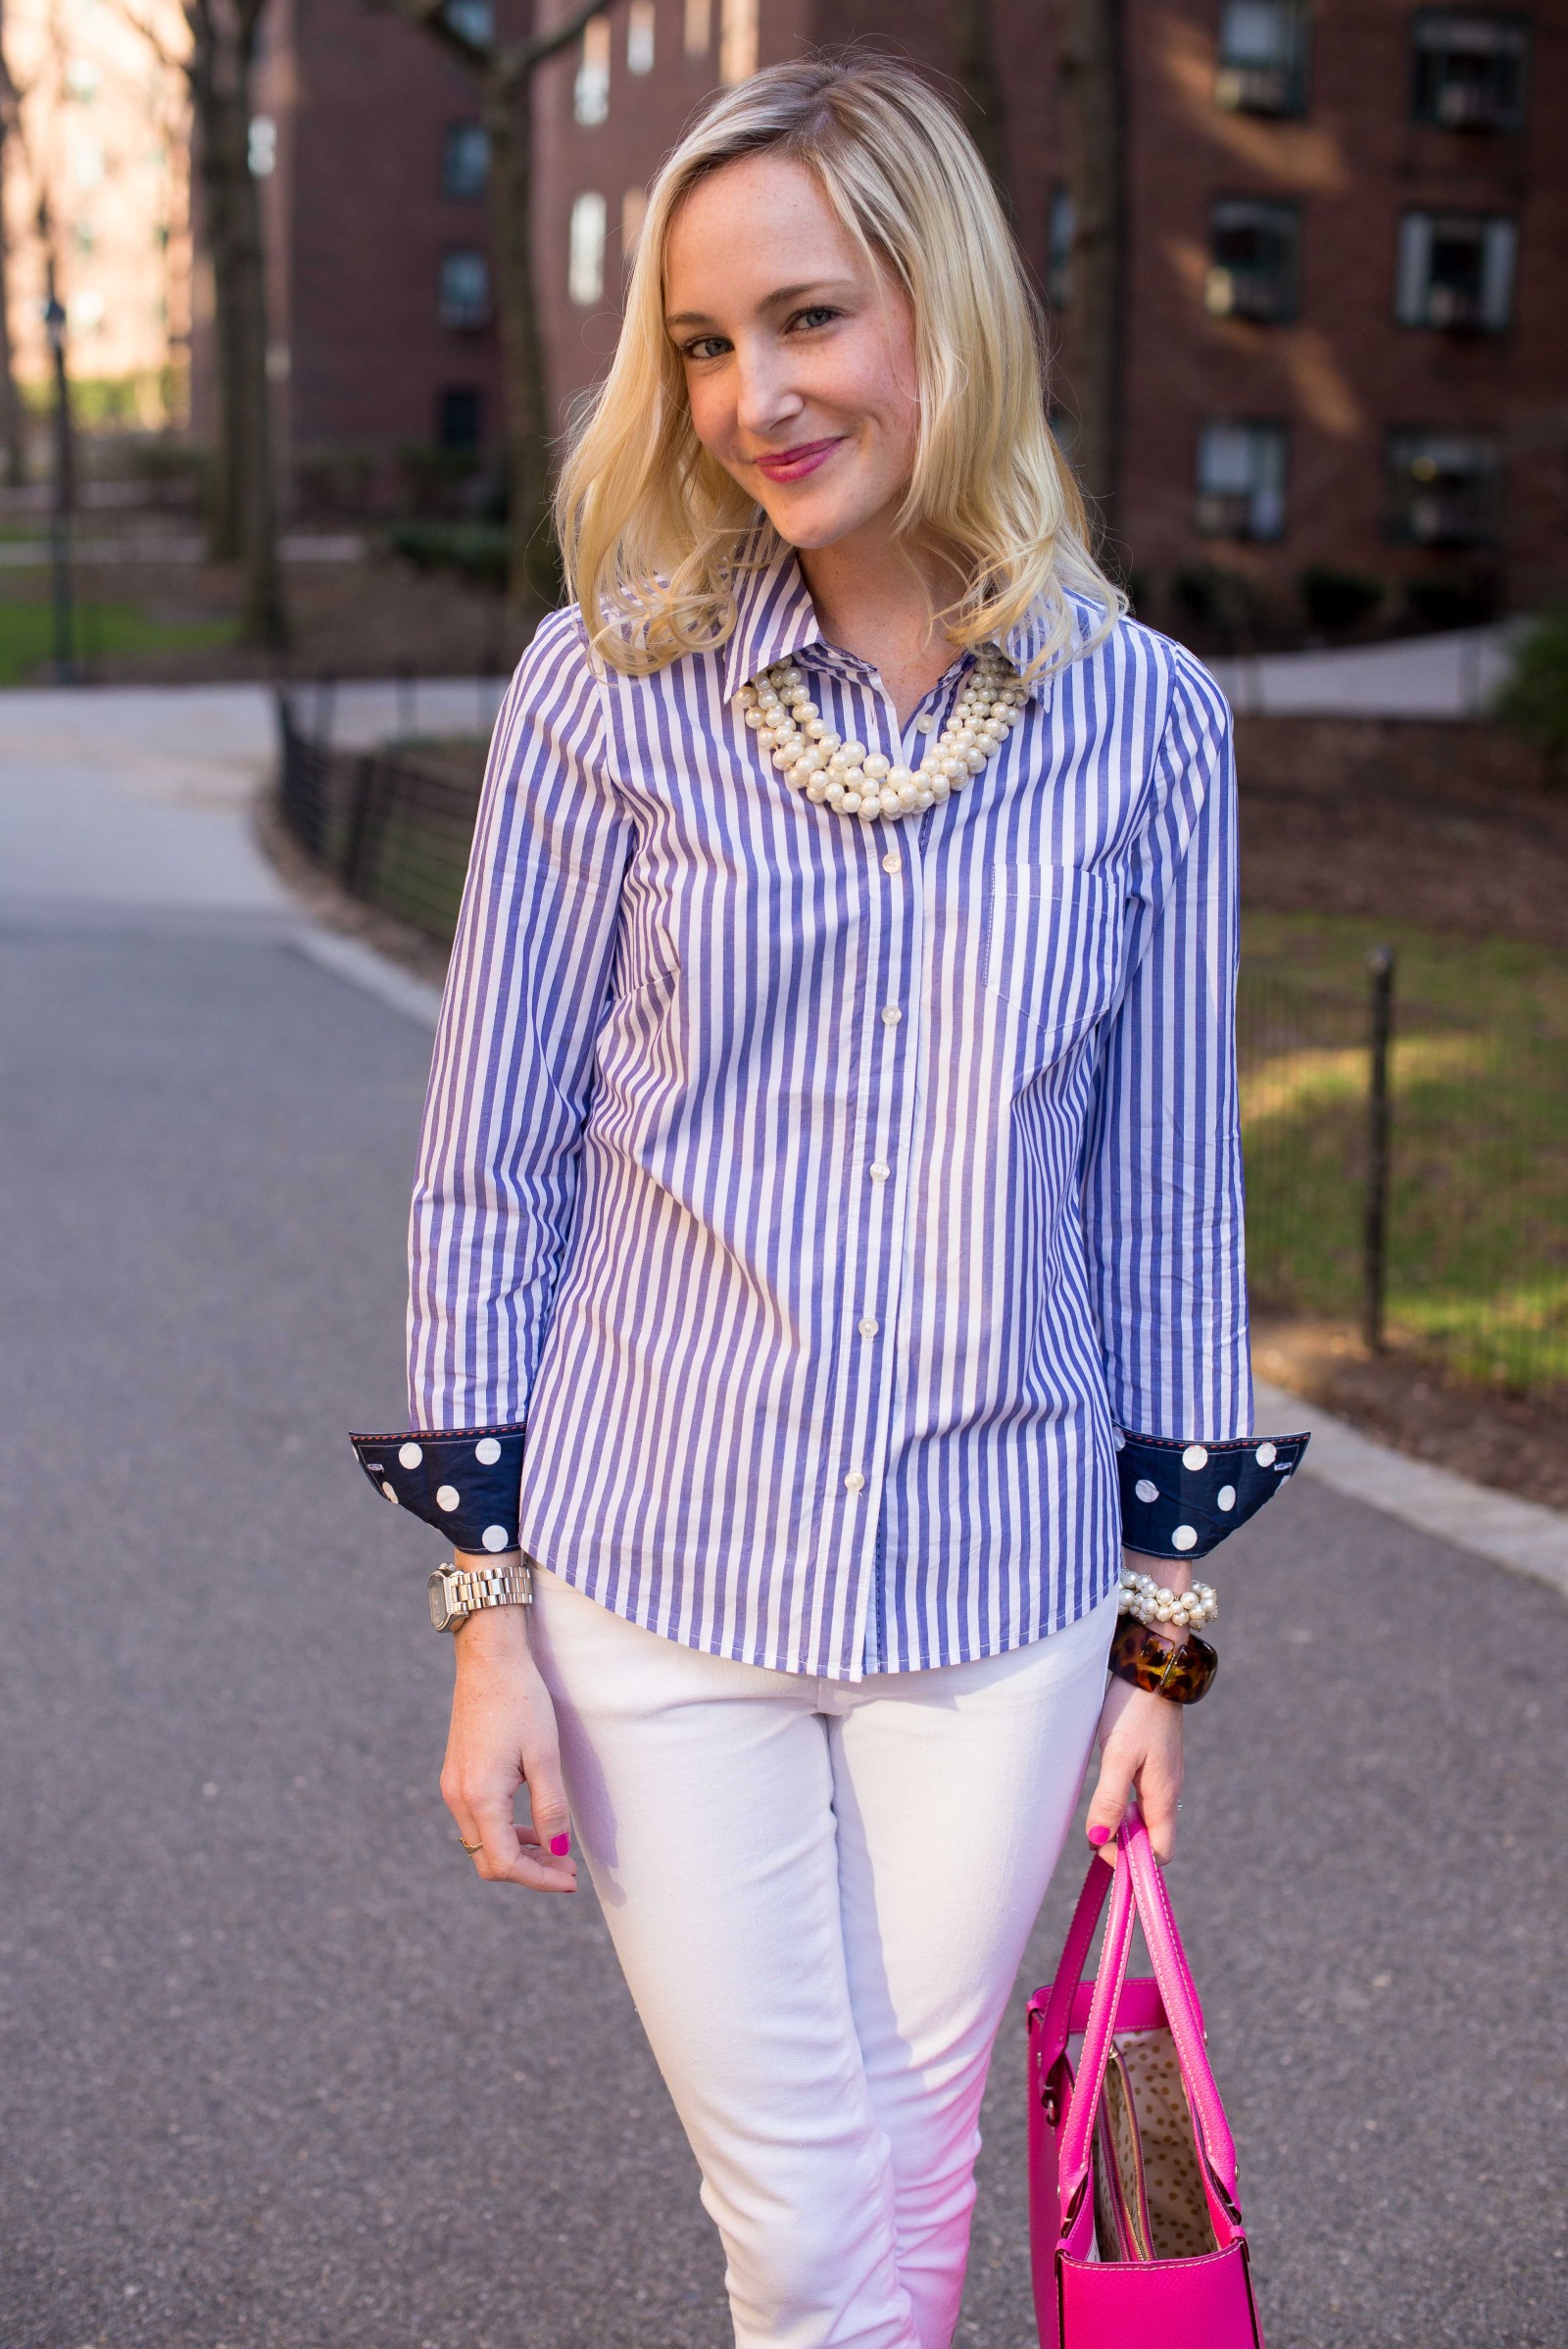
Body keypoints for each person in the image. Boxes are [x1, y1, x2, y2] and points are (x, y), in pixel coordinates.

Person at [350, 53, 1304, 2349]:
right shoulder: (605, 698)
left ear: (941, 312)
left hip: (996, 1594)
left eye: (806, 318)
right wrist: (488, 1614)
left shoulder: (1145, 727)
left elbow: (1164, 1205)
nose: (750, 395)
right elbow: (486, 1172)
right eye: (700, 342)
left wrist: (1156, 1641)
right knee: (798, 2205)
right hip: (659, 1583)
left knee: (912, 2161)